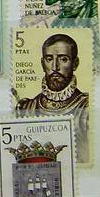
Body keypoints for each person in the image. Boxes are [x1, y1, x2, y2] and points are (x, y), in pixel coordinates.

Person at [15, 34, 90, 162]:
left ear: (75, 64)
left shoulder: (85, 107)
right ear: (42, 64)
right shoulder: (27, 107)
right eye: (49, 59)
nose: (55, 67)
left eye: (63, 59)